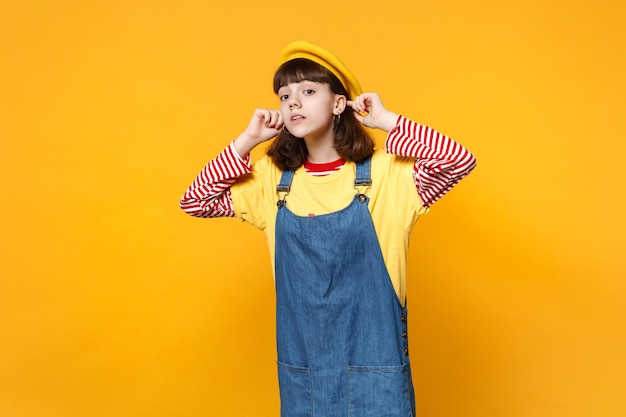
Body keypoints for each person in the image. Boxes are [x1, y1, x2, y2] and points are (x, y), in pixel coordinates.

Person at [180, 41, 476, 417]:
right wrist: (247, 141)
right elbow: (196, 201)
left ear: (339, 104)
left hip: (376, 380)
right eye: (285, 96)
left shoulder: (389, 176)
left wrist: (385, 120)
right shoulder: (273, 182)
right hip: (307, 380)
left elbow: (458, 161)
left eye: (307, 91)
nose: (293, 103)